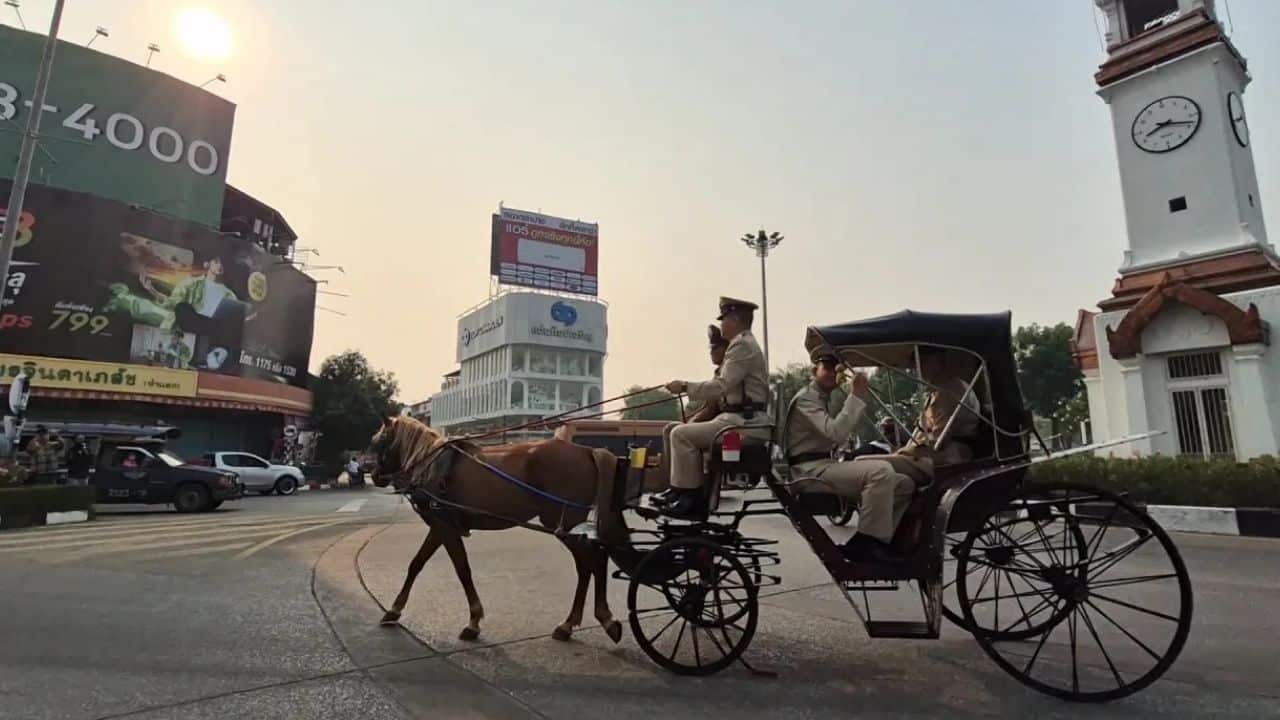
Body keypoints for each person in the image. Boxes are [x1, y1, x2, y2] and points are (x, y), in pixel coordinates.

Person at [785, 356, 916, 564]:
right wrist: (856, 395)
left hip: (824, 465)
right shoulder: (806, 399)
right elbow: (836, 433)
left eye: (836, 368)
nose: (832, 373)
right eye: (826, 368)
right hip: (808, 471)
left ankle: (876, 541)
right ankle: (869, 545)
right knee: (880, 472)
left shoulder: (821, 399)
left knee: (904, 484)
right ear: (814, 371)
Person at [655, 297, 770, 518]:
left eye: (724, 319)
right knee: (674, 430)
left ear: (734, 320)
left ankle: (691, 499)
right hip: (736, 421)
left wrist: (685, 387)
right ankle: (679, 490)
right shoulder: (743, 343)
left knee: (680, 434)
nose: (722, 324)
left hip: (744, 425)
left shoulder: (742, 345)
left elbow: (720, 387)